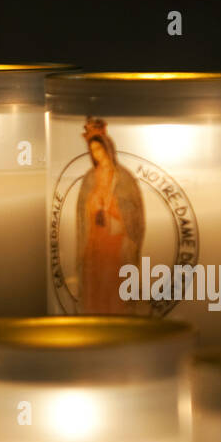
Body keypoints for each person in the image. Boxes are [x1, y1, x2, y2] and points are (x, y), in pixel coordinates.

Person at [76, 117, 144, 314]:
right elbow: (82, 213)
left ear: (108, 149)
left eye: (100, 150)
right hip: (95, 241)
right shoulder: (90, 178)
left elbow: (133, 212)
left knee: (112, 279)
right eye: (93, 151)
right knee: (94, 279)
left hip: (115, 240)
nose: (97, 155)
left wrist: (113, 215)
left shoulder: (123, 178)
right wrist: (94, 209)